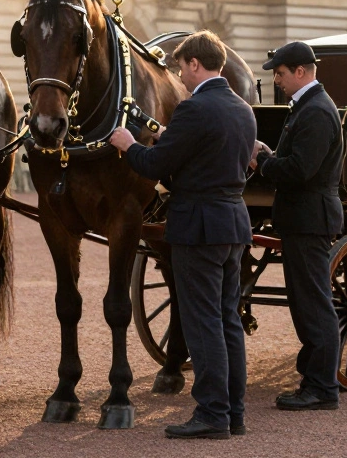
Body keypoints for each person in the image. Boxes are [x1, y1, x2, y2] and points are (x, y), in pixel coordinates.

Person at [108, 30, 257, 440]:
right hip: (233, 222)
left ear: (195, 63)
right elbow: (212, 156)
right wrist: (166, 139)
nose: (180, 76)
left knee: (202, 322)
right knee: (227, 321)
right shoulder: (243, 109)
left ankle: (211, 414)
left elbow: (155, 165)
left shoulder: (194, 109)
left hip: (199, 225)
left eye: (181, 67)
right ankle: (233, 413)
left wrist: (127, 144)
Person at [251, 41, 343, 411]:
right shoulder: (309, 107)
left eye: (281, 72)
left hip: (309, 218)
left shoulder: (316, 111)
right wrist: (272, 157)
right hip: (303, 217)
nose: (277, 79)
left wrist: (263, 163)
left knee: (313, 304)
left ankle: (322, 388)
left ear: (301, 72)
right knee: (305, 303)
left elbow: (300, 170)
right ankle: (314, 379)